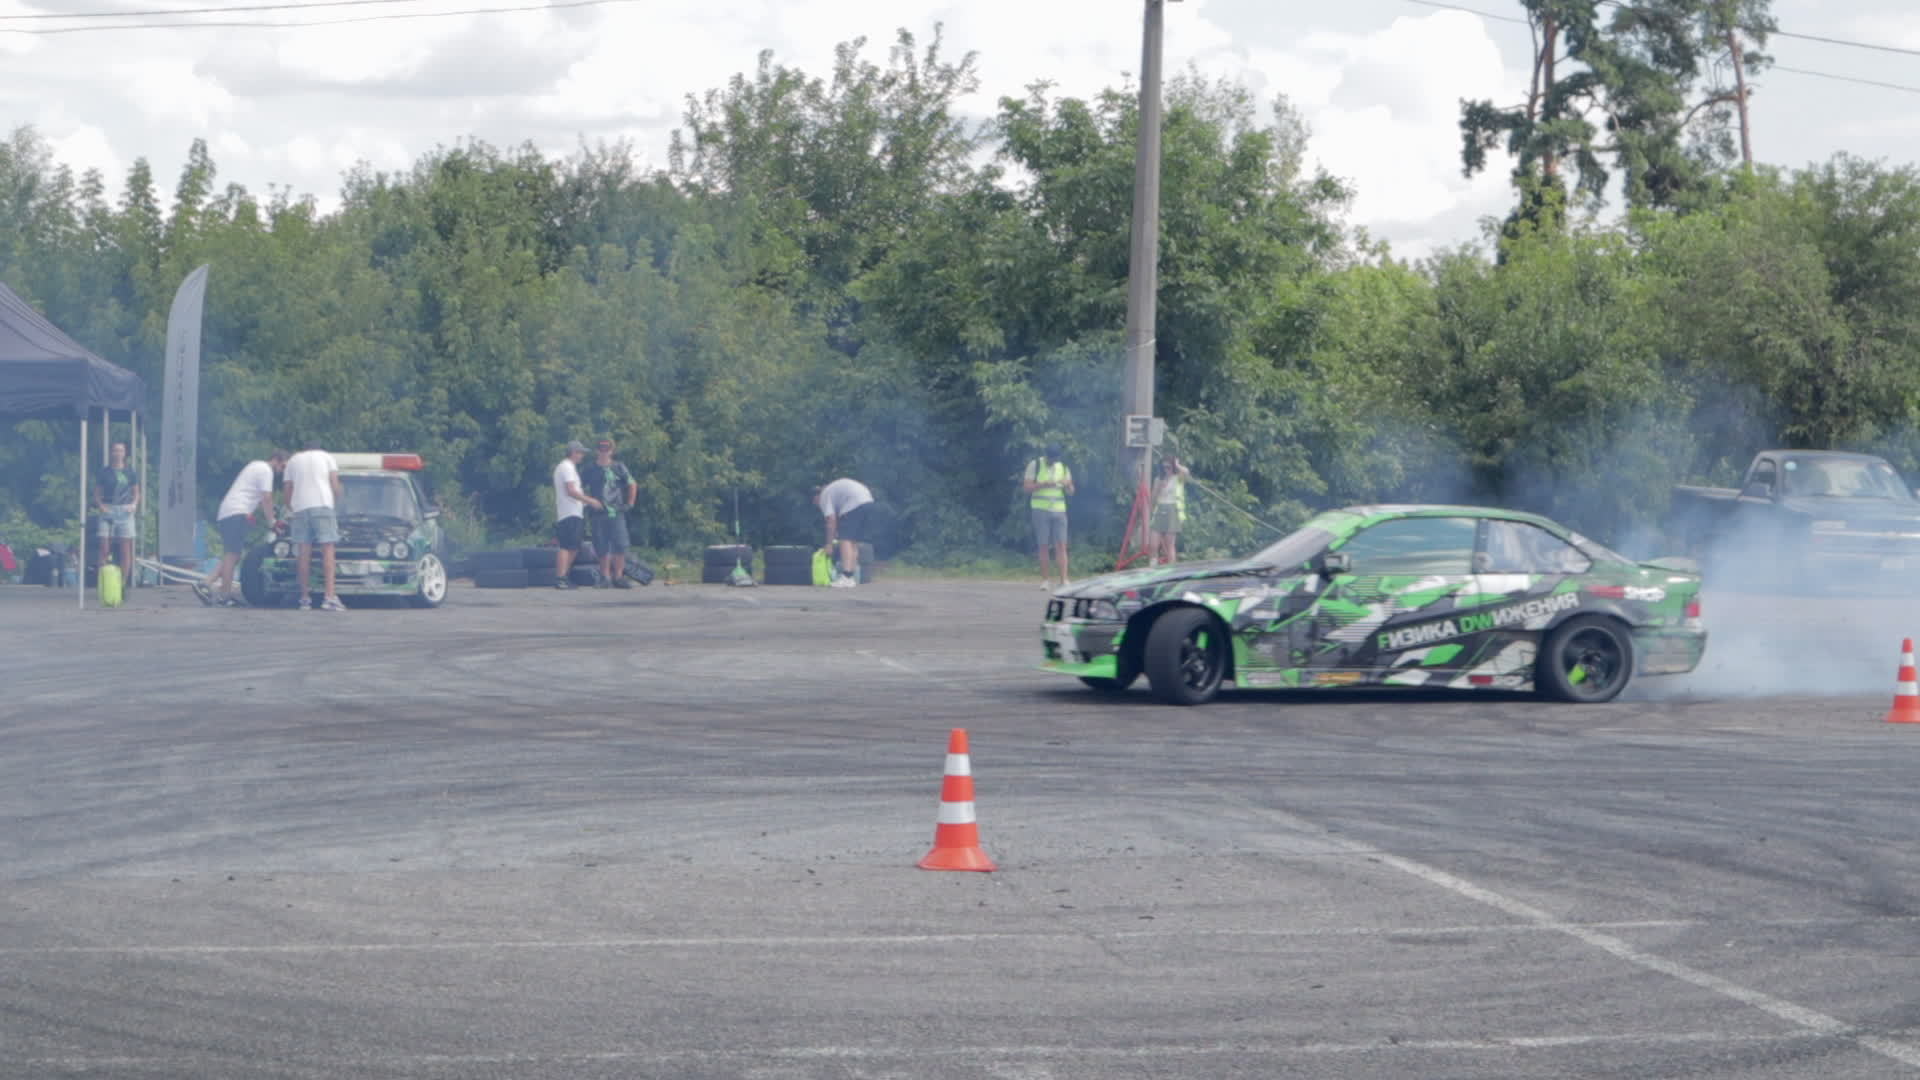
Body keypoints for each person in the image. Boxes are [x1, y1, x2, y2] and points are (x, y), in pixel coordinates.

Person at [198, 450, 288, 606]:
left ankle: (206, 583)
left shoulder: (255, 465)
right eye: (284, 466)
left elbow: (260, 500)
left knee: (232, 555)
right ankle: (224, 595)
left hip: (229, 512)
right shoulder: (266, 471)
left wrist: (270, 512)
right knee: (232, 555)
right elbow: (267, 498)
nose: (283, 471)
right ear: (277, 460)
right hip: (236, 513)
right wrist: (272, 522)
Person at [283, 442, 344, 611]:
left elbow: (287, 489)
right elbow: (334, 484)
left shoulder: (293, 460)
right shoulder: (327, 457)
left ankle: (304, 598)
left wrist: (290, 507)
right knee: (328, 550)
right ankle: (329, 597)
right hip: (322, 505)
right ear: (319, 448)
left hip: (300, 509)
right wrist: (337, 498)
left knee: (304, 553)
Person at [578, 437, 638, 589]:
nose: (604, 451)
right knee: (601, 546)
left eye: (607, 449)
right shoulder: (589, 468)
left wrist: (630, 503)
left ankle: (618, 577)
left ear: (612, 450)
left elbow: (632, 483)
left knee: (620, 545)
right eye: (601, 448)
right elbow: (578, 488)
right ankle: (605, 577)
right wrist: (587, 502)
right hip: (597, 513)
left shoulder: (619, 467)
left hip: (616, 512)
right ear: (597, 450)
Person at [1023, 443, 1075, 590]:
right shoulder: (1035, 465)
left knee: (1061, 545)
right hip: (1040, 510)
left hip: (1059, 510)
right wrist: (1043, 484)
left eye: (1056, 458)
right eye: (1051, 458)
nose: (1053, 461)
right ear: (1046, 455)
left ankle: (1064, 579)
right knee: (1043, 545)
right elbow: (1026, 487)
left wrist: (1068, 485)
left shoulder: (1063, 467)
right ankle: (1045, 580)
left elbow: (1071, 491)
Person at [552, 440, 601, 589]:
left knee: (574, 547)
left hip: (573, 512)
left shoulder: (569, 467)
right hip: (569, 513)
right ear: (573, 452)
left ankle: (564, 577)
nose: (582, 456)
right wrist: (590, 500)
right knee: (566, 546)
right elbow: (571, 491)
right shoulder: (566, 467)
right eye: (581, 453)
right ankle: (560, 578)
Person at [93, 441, 140, 588]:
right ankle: (103, 582)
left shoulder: (130, 472)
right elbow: (96, 493)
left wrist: (134, 505)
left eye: (121, 451)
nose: (118, 453)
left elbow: (136, 493)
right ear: (111, 452)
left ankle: (122, 584)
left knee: (125, 548)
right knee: (104, 547)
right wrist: (101, 506)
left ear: (125, 453)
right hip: (108, 509)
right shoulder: (104, 472)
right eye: (115, 450)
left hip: (125, 511)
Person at [814, 477, 874, 588]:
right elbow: (836, 520)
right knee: (853, 541)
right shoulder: (833, 490)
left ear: (816, 497)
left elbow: (830, 521)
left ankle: (846, 577)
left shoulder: (824, 496)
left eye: (815, 503)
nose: (817, 506)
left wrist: (829, 544)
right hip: (868, 501)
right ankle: (852, 576)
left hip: (855, 503)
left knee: (845, 540)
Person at [1149, 454, 1191, 566]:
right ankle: (1152, 568)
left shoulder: (1178, 478)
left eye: (1168, 467)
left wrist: (1177, 464)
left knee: (1169, 545)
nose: (1166, 469)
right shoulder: (1158, 479)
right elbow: (1152, 499)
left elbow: (1186, 472)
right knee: (1153, 545)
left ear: (1173, 467)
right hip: (1160, 509)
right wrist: (1158, 488)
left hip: (1172, 510)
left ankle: (1171, 571)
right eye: (1164, 467)